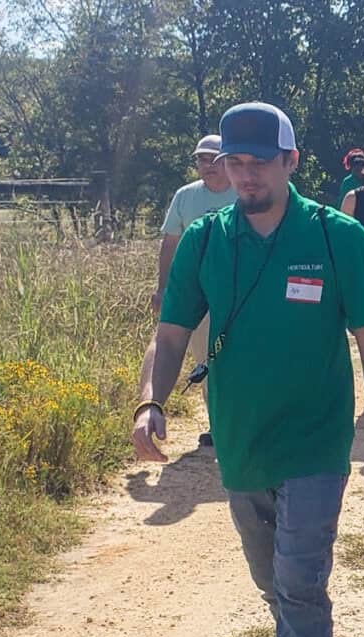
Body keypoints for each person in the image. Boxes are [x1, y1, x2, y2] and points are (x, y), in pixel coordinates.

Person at [132, 102, 364, 637]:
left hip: (315, 440)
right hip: (242, 441)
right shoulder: (204, 240)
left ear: (291, 160)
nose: (243, 174)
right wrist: (150, 400)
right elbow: (168, 334)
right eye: (234, 162)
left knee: (300, 583)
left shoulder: (336, 235)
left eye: (258, 160)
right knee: (273, 583)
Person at [152, 134, 237, 446]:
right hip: (197, 293)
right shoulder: (185, 197)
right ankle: (219, 426)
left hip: (238, 292)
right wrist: (163, 289)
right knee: (207, 359)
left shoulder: (244, 195)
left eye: (212, 158)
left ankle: (242, 422)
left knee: (238, 355)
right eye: (201, 159)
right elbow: (170, 243)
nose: (206, 165)